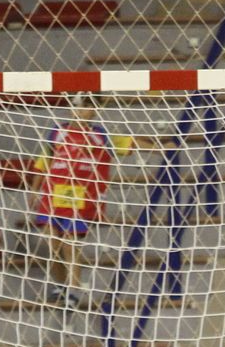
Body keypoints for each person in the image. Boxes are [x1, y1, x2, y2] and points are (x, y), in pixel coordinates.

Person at [31, 96, 148, 307]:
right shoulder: (57, 132)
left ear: (94, 110)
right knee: (53, 245)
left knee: (70, 244)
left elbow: (129, 142)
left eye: (85, 106)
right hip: (52, 194)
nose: (79, 111)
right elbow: (44, 161)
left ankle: (74, 290)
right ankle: (60, 285)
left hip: (80, 196)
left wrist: (159, 145)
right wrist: (33, 189)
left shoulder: (100, 135)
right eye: (75, 106)